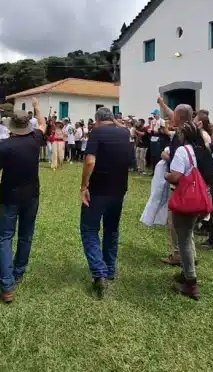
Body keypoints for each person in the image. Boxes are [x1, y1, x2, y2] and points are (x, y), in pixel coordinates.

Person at [0, 99, 47, 303]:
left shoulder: (5, 146)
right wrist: (37, 107)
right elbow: (43, 124)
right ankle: (18, 271)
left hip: (9, 197)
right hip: (32, 196)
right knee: (26, 235)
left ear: (11, 126)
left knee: (5, 237)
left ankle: (6, 286)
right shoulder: (36, 139)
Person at [79, 108, 133, 299]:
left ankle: (99, 272)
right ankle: (109, 269)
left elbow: (90, 162)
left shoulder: (97, 133)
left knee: (89, 229)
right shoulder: (125, 133)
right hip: (119, 188)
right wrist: (115, 122)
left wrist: (84, 186)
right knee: (112, 229)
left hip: (98, 190)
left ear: (97, 120)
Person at [155, 97, 201, 266]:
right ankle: (191, 254)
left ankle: (178, 256)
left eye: (174, 114)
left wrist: (166, 157)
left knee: (175, 223)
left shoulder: (182, 136)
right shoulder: (194, 131)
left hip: (181, 185)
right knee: (187, 226)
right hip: (194, 184)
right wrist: (162, 104)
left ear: (179, 117)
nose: (170, 116)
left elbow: (177, 167)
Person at [164, 122, 206, 300]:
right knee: (188, 237)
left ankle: (191, 282)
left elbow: (176, 176)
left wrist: (166, 175)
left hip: (185, 199)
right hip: (199, 198)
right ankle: (187, 273)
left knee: (184, 240)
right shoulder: (203, 149)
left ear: (183, 136)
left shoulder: (183, 151)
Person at [148, 110, 168, 175]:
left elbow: (164, 131)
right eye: (153, 114)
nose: (154, 115)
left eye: (155, 114)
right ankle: (153, 170)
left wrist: (159, 131)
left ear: (158, 114)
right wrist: (151, 130)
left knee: (157, 155)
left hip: (160, 138)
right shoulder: (153, 121)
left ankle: (159, 171)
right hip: (153, 137)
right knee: (153, 155)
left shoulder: (162, 121)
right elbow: (152, 129)